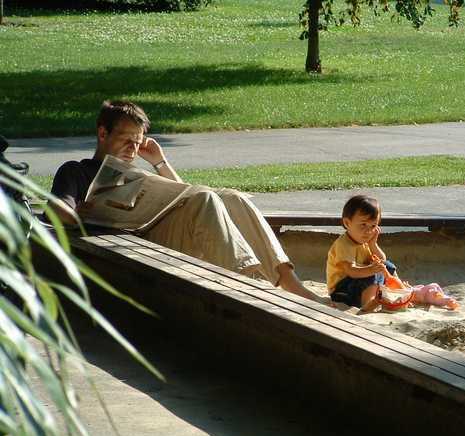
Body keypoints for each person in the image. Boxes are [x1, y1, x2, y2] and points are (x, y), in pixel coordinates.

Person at [49, 100, 319, 301]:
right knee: (205, 198)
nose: (132, 149)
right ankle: (252, 285)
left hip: (160, 232)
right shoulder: (76, 170)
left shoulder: (138, 171)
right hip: (133, 244)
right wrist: (79, 216)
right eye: (126, 140)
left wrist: (159, 162)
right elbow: (56, 209)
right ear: (103, 134)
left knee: (231, 198)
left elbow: (183, 192)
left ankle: (293, 286)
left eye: (137, 142)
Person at [326, 195, 397, 311]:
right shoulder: (344, 244)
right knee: (373, 273)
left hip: (359, 287)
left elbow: (382, 259)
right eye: (363, 225)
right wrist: (371, 269)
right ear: (347, 223)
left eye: (373, 225)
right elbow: (351, 271)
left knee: (386, 266)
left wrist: (373, 244)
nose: (368, 231)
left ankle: (396, 291)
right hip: (342, 292)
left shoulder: (364, 241)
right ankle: (368, 304)